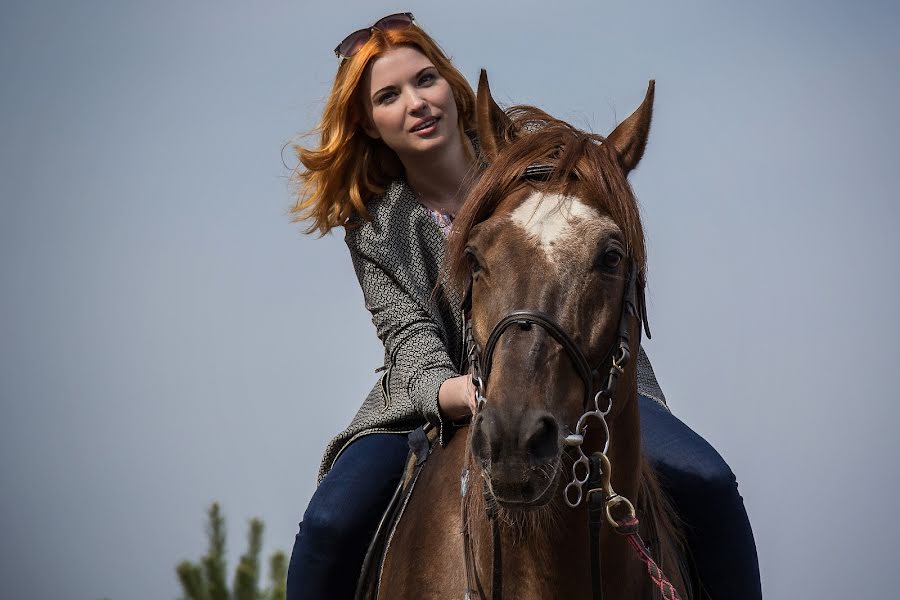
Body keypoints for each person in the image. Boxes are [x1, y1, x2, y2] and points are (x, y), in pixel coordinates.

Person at [286, 13, 761, 600]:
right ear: (368, 122)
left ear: (451, 85)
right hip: (429, 402)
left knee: (710, 485)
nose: (417, 103)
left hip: (588, 380)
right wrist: (459, 391)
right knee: (329, 525)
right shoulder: (377, 223)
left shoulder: (526, 163)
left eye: (425, 79)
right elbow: (405, 332)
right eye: (389, 96)